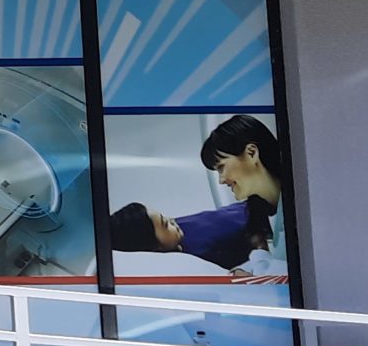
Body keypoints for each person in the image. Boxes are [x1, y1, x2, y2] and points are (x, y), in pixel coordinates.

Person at [107, 115, 289, 277]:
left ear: (251, 153)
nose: (221, 180)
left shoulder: (295, 208)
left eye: (222, 167)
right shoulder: (267, 217)